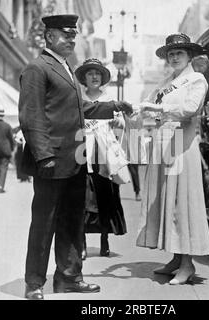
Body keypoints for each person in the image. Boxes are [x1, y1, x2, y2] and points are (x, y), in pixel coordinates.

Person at [18, 14, 133, 300]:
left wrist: (113, 106)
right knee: (44, 223)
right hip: (52, 162)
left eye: (73, 34)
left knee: (71, 221)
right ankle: (34, 283)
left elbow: (80, 109)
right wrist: (44, 156)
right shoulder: (37, 68)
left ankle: (69, 277)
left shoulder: (65, 68)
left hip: (74, 161)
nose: (72, 39)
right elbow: (31, 116)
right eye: (65, 34)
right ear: (48, 37)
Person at [135, 33, 209, 285]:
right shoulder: (167, 81)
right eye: (171, 53)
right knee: (168, 201)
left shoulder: (196, 80)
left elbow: (189, 109)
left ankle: (188, 264)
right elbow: (152, 110)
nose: (174, 56)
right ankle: (177, 258)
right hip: (164, 144)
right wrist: (147, 114)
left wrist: (159, 110)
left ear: (190, 55)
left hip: (182, 146)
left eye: (179, 52)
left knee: (182, 203)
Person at [75, 58, 127, 260]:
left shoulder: (110, 98)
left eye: (97, 73)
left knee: (105, 198)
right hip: (82, 151)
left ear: (102, 78)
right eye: (90, 73)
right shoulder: (78, 99)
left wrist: (117, 121)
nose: (94, 77)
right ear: (84, 78)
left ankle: (105, 239)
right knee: (82, 200)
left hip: (103, 155)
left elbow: (122, 124)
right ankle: (82, 244)